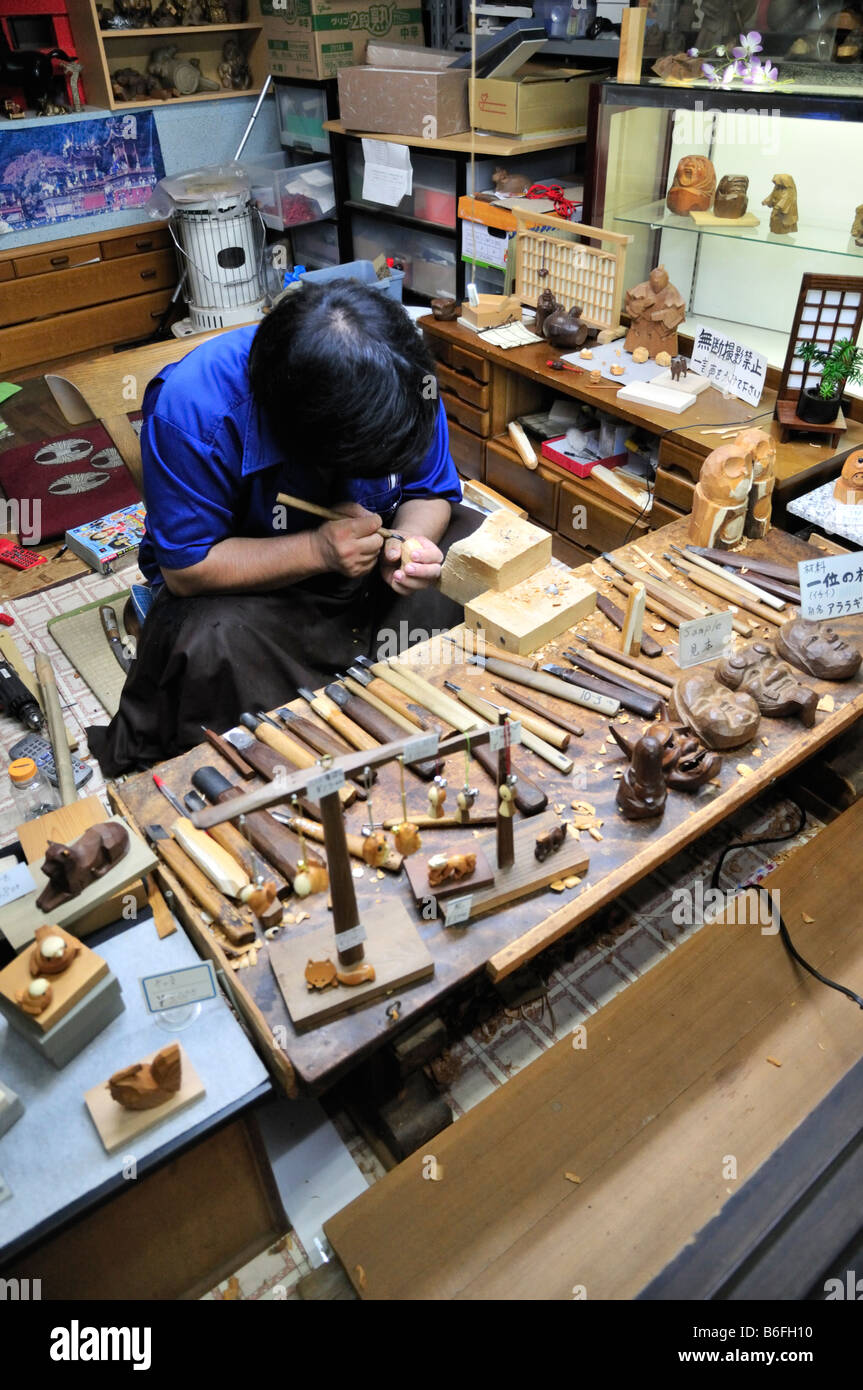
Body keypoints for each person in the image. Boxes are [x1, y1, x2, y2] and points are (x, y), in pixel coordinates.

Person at [88, 281, 481, 775]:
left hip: (367, 573)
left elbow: (430, 489)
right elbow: (188, 568)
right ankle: (318, 738)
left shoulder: (402, 379)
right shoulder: (194, 409)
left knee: (475, 553)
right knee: (209, 644)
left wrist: (410, 543)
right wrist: (316, 551)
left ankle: (409, 699)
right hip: (257, 593)